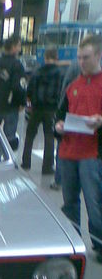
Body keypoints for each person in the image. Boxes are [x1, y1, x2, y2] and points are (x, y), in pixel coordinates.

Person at [55, 33, 102, 262]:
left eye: (86, 57)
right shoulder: (73, 85)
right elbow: (59, 114)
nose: (81, 62)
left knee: (94, 201)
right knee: (70, 200)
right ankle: (73, 240)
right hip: (68, 152)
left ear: (98, 56)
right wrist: (59, 126)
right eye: (79, 58)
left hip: (92, 155)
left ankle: (99, 244)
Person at [21, 48, 62, 174]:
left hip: (36, 108)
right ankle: (47, 167)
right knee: (49, 137)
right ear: (56, 58)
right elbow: (61, 92)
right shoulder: (59, 73)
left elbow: (29, 89)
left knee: (30, 135)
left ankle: (26, 162)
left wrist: (31, 102)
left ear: (45, 58)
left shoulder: (37, 72)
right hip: (51, 109)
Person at [0, 35, 27, 149]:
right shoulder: (17, 65)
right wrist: (21, 102)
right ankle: (5, 157)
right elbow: (19, 87)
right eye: (19, 46)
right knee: (9, 137)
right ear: (13, 47)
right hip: (10, 106)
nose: (20, 49)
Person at [50, 60, 80, 190]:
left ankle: (59, 180)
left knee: (63, 148)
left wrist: (60, 114)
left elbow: (64, 90)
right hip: (81, 121)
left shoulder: (74, 67)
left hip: (68, 116)